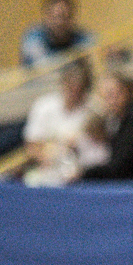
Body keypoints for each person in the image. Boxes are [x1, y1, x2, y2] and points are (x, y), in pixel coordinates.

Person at [23, 58, 96, 187]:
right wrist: (51, 157)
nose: (74, 93)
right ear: (63, 85)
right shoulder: (44, 106)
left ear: (85, 89)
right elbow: (32, 146)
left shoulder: (94, 109)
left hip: (82, 175)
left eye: (79, 90)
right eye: (70, 88)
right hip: (48, 172)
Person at [20, 0, 93, 68]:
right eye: (54, 17)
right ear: (45, 16)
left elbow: (94, 53)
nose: (59, 22)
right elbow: (45, 69)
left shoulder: (81, 37)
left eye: (65, 17)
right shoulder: (33, 39)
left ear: (72, 18)